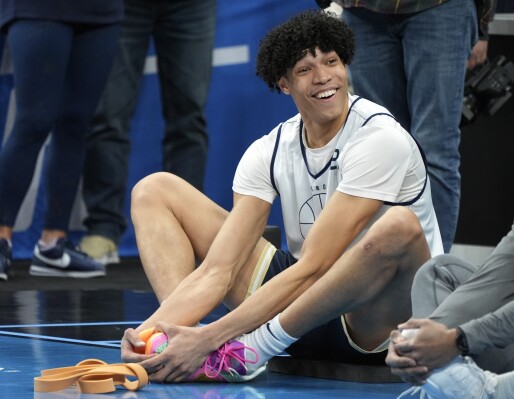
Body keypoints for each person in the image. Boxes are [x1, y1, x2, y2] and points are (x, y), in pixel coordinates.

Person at [119, 10, 443, 382]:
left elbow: (317, 267)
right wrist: (148, 333)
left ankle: (244, 351)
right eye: (305, 69)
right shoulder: (268, 150)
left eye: (332, 62)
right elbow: (218, 270)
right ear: (284, 83)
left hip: (376, 324)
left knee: (400, 225)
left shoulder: (379, 136)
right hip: (299, 312)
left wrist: (213, 335)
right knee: (154, 189)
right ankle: (173, 346)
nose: (324, 77)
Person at [383, 51, 514, 398]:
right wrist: (421, 339)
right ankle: (449, 383)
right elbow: (494, 280)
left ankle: (507, 389)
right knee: (440, 272)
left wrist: (459, 339)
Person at [328, 0, 496, 252]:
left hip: (440, 7)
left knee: (434, 150)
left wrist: (482, 23)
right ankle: (389, 270)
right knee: (383, 150)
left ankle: (429, 275)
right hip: (363, 10)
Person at [79, 0, 216, 265]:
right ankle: (103, 230)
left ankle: (188, 229)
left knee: (189, 118)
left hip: (193, 5)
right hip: (122, 6)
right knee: (109, 116)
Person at [0, 0, 123, 280]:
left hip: (101, 12)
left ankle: (52, 245)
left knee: (75, 125)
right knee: (33, 121)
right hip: (39, 8)